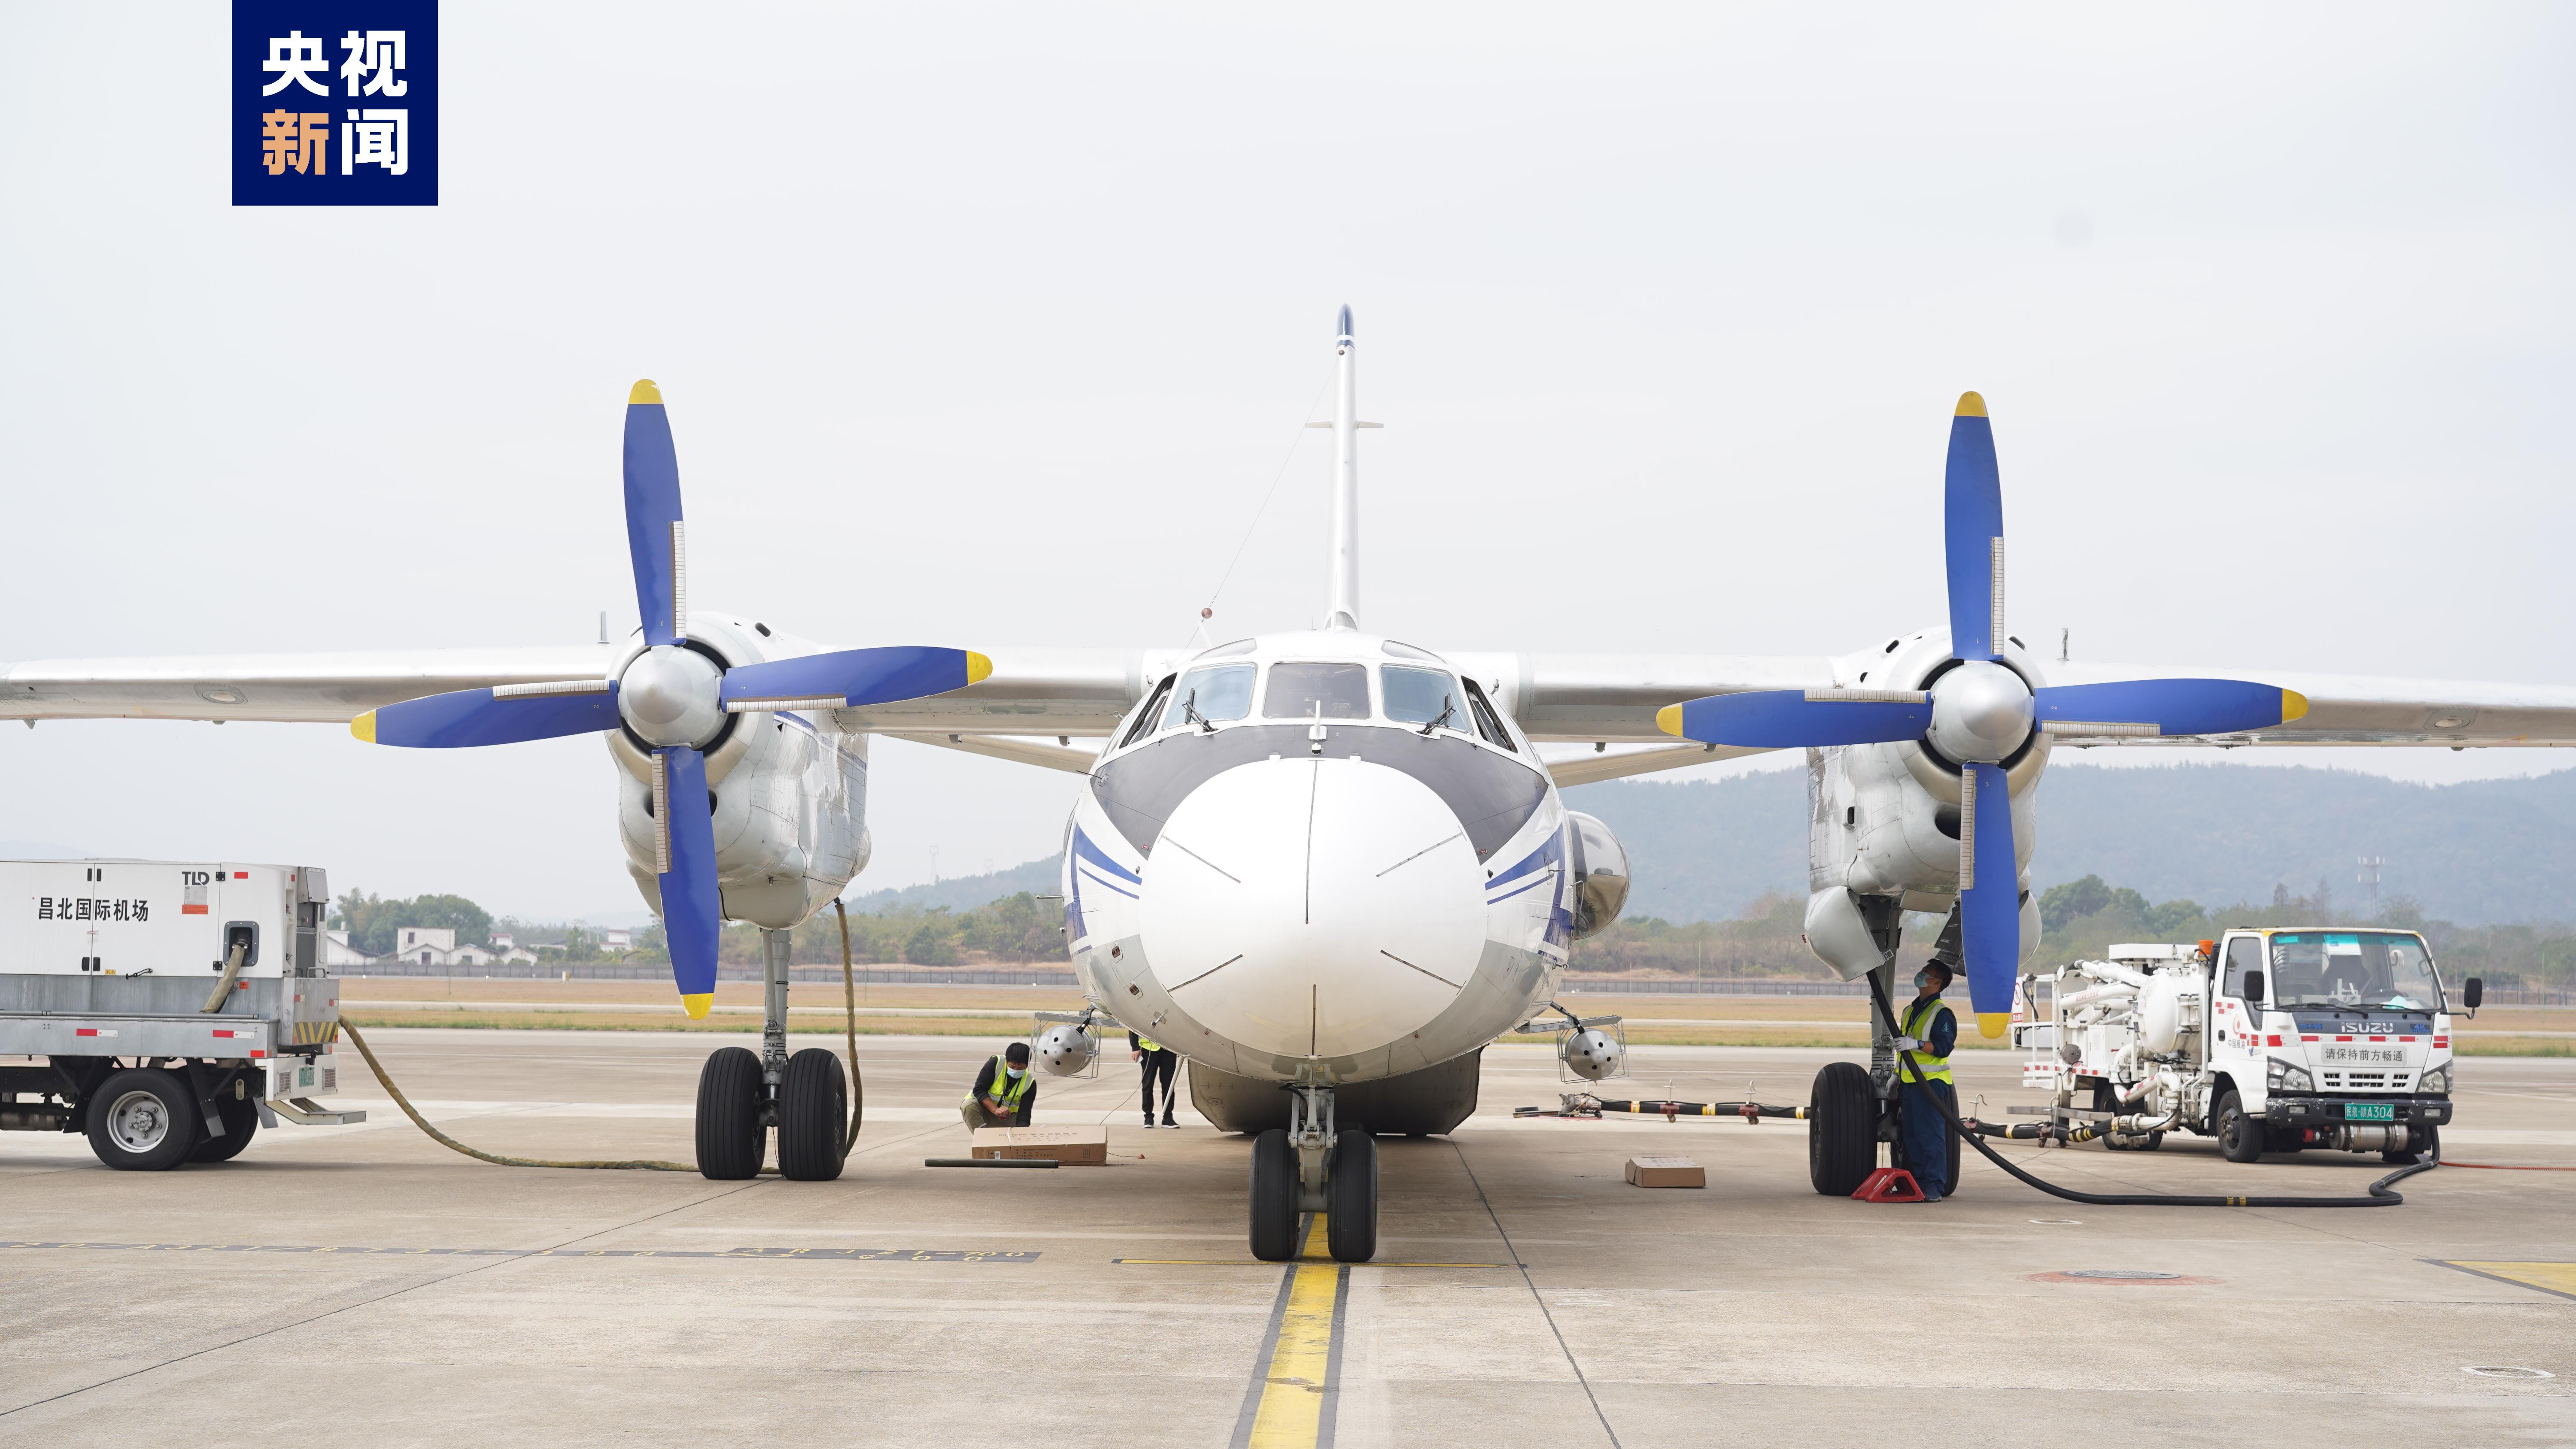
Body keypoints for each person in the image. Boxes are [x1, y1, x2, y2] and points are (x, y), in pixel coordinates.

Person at [1893, 960, 1959, 1203]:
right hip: (1909, 1082)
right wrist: (1895, 1075)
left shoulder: (1941, 1013)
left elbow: (1943, 1047)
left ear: (1937, 983)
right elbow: (1902, 1050)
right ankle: (1918, 1183)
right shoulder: (1910, 1011)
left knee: (1930, 1136)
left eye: (1926, 974)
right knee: (1911, 1136)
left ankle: (1933, 1186)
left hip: (1930, 1083)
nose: (1920, 976)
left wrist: (1918, 1044)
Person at [960, 1041, 1038, 1130]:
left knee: (1016, 1132)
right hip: (985, 1108)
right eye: (1012, 1067)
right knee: (969, 1105)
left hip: (1006, 1116)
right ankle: (984, 1137)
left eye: (1020, 1068)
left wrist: (1022, 1132)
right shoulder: (996, 1063)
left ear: (1027, 1065)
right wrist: (995, 1109)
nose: (1016, 1070)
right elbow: (979, 1090)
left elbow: (1025, 1113)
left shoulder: (1030, 1083)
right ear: (1007, 1061)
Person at [1131, 1029, 1179, 1128]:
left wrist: (1179, 1047)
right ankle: (1148, 1117)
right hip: (1148, 1049)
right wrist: (1135, 1047)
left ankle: (1168, 1117)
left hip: (1169, 1049)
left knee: (1169, 1086)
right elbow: (1132, 1026)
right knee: (1147, 1085)